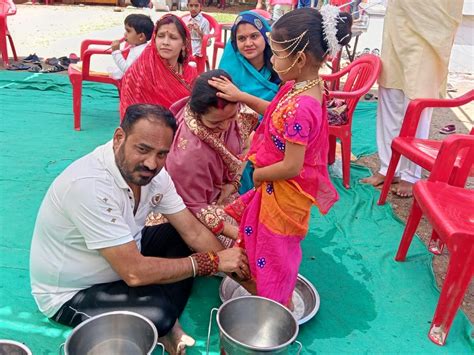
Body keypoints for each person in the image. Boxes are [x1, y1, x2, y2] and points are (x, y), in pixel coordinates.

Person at [30, 104, 249, 355]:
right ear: (119, 138)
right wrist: (211, 261)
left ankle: (158, 307)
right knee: (160, 313)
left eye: (161, 154)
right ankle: (167, 323)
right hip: (73, 292)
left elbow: (193, 231)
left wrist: (244, 278)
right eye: (142, 149)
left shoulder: (156, 177)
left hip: (127, 257)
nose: (151, 163)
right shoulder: (88, 186)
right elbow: (133, 273)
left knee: (179, 237)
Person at [211, 6, 351, 306]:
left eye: (276, 54)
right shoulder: (296, 87)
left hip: (284, 190)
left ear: (298, 59)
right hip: (276, 186)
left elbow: (292, 165)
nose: (272, 60)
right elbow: (274, 112)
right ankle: (268, 289)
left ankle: (277, 304)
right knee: (265, 243)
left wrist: (259, 174)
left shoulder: (304, 106)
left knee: (276, 250)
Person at [360, 0, 463, 197]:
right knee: (390, 90)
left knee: (418, 100)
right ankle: (388, 167)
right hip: (399, 18)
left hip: (431, 19)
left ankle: (411, 173)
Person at [163, 70, 259, 247]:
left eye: (231, 118)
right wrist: (240, 235)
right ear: (198, 113)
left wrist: (233, 184)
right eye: (215, 123)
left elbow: (250, 141)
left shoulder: (229, 112)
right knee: (248, 249)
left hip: (222, 195)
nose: (224, 126)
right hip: (189, 209)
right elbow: (192, 206)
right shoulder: (188, 154)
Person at [219, 11, 280, 193]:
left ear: (265, 37)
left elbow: (282, 110)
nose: (248, 43)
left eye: (254, 36)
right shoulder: (230, 68)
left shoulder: (280, 68)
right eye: (242, 38)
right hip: (235, 128)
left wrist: (241, 96)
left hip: (274, 128)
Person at [120, 14, 198, 118]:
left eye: (173, 37)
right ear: (154, 39)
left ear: (184, 44)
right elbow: (130, 113)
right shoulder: (140, 71)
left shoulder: (190, 73)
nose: (165, 42)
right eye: (161, 36)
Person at [109, 14, 154, 80]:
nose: (125, 34)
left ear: (141, 36)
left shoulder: (139, 52)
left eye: (128, 31)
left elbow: (128, 70)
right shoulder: (142, 47)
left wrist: (116, 52)